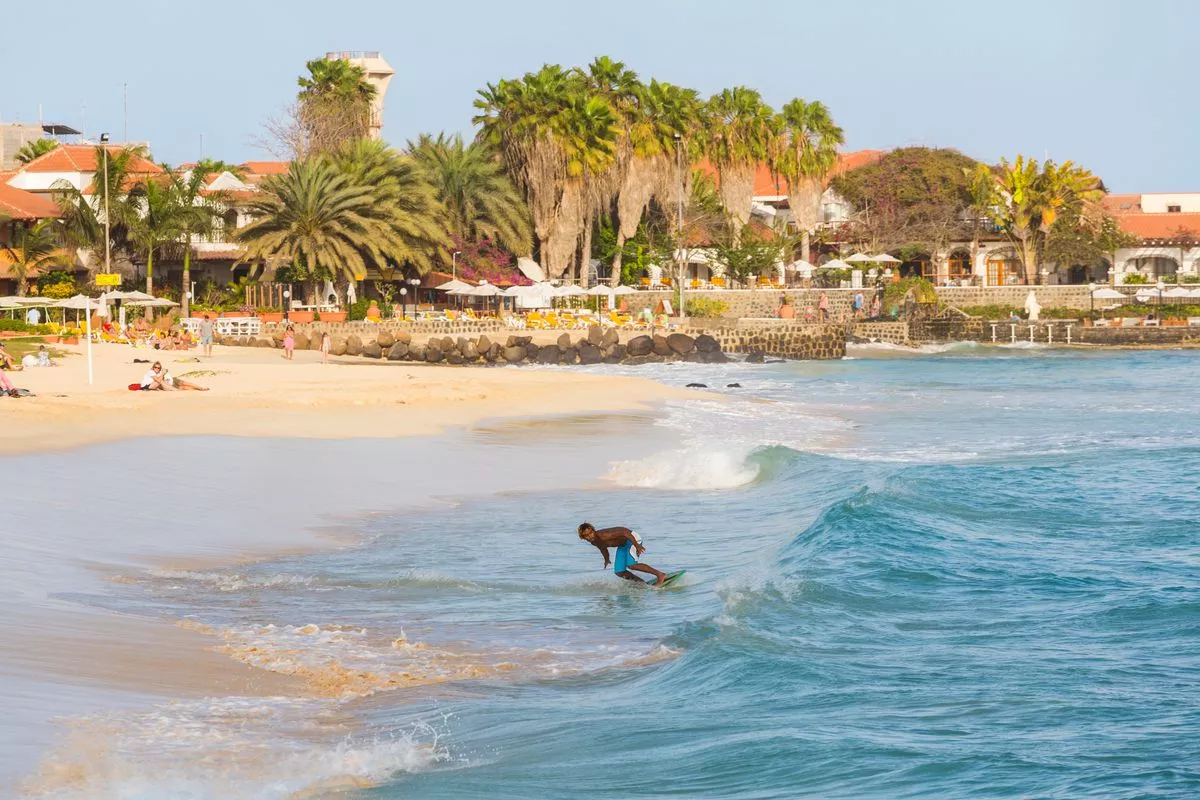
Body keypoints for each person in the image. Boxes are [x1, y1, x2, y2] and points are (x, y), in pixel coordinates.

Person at [577, 522, 669, 585]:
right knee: (619, 571)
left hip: (632, 539)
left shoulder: (604, 534)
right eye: (586, 536)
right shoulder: (594, 542)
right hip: (623, 545)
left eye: (590, 533)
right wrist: (606, 559)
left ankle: (660, 575)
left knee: (632, 565)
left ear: (592, 530)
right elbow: (603, 549)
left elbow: (625, 532)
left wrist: (636, 545)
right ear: (583, 538)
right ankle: (642, 584)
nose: (589, 537)